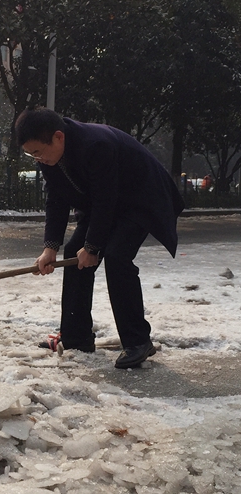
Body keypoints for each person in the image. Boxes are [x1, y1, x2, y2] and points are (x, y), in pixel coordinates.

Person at [14, 108, 185, 369]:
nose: (37, 159)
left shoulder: (96, 145)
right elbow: (57, 199)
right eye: (31, 154)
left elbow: (106, 200)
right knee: (74, 253)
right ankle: (76, 337)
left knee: (117, 256)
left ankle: (138, 341)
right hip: (105, 203)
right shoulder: (49, 157)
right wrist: (50, 248)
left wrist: (92, 247)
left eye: (38, 152)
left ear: (58, 137)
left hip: (140, 200)